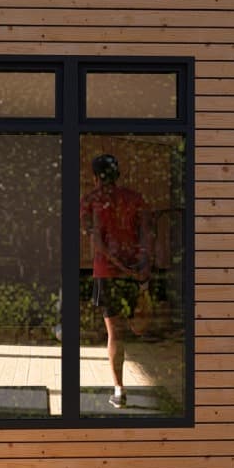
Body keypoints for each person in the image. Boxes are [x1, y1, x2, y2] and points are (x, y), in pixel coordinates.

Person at [80, 153, 150, 407]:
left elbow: (97, 241)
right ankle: (120, 387)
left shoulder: (90, 201)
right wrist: (142, 269)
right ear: (118, 174)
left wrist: (122, 267)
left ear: (95, 176)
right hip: (133, 270)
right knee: (134, 327)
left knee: (115, 333)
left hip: (108, 273)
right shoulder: (135, 199)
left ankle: (119, 390)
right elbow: (146, 237)